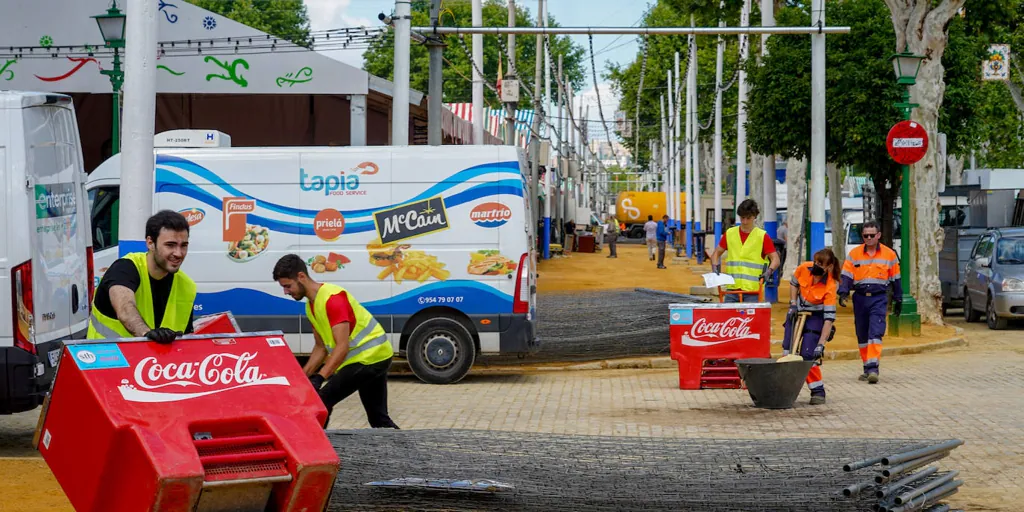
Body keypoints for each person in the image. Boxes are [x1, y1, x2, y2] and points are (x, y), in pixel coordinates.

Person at [272, 254, 399, 429]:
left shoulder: (333, 299)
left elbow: (342, 346)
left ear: (301, 277)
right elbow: (320, 347)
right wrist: (303, 376)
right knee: (378, 419)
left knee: (321, 402)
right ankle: (411, 453)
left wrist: (320, 377)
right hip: (373, 357)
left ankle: (315, 449)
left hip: (369, 358)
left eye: (287, 286)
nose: (286, 292)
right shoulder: (311, 306)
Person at [88, 210, 196, 342]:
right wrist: (147, 334)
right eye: (170, 245)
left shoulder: (186, 286)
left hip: (151, 361)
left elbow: (186, 339)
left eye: (183, 246)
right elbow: (125, 308)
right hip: (105, 359)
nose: (178, 253)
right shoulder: (125, 268)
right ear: (150, 243)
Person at [838, 220, 901, 384]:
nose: (869, 238)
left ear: (878, 235)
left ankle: (873, 368)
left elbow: (896, 279)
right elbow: (846, 276)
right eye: (865, 236)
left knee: (875, 333)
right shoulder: (854, 254)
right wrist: (843, 293)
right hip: (859, 298)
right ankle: (867, 366)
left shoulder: (889, 255)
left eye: (872, 235)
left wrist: (898, 298)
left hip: (879, 298)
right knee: (862, 334)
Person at [783, 248, 840, 405]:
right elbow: (794, 284)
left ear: (828, 267)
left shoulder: (830, 286)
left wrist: (821, 344)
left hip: (815, 317)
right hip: (797, 311)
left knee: (808, 354)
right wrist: (793, 303)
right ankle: (783, 388)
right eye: (815, 261)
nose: (815, 265)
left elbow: (829, 319)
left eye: (820, 264)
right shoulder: (803, 268)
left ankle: (818, 390)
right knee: (787, 349)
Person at [709, 199, 780, 302]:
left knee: (750, 318)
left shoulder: (762, 236)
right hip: (731, 289)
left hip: (752, 290)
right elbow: (716, 254)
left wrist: (769, 272)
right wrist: (715, 267)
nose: (745, 221)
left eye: (748, 218)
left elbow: (775, 259)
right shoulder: (730, 234)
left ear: (754, 217)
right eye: (742, 218)